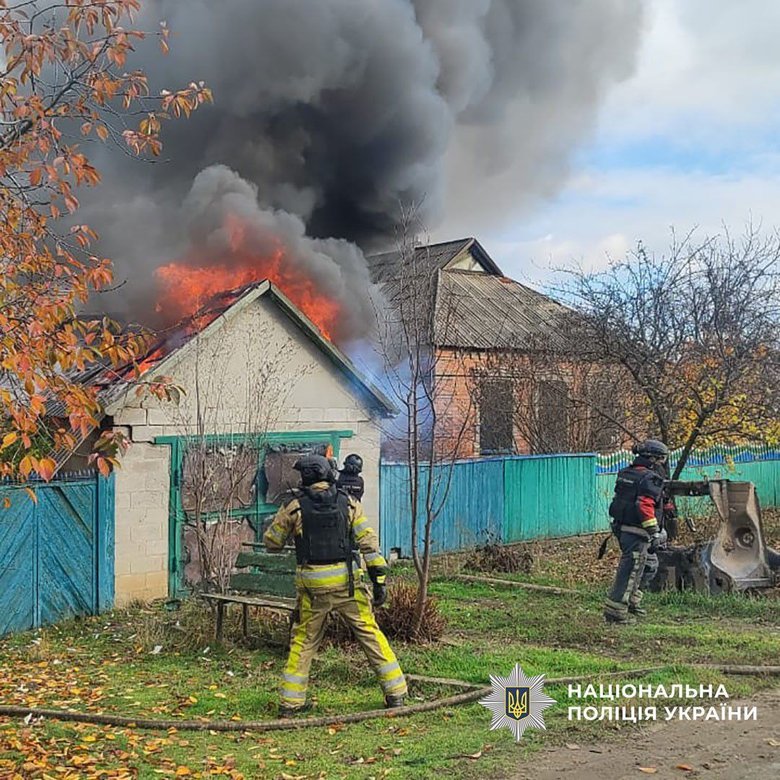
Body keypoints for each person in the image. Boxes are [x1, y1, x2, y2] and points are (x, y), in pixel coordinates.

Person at [263, 454, 406, 717]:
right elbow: (369, 545)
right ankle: (396, 693)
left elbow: (272, 542)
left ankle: (290, 703)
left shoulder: (294, 507)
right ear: (328, 473)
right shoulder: (349, 504)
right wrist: (379, 582)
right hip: (347, 586)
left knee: (304, 641)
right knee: (370, 634)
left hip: (312, 590)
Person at [603, 439, 669, 624]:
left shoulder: (628, 473)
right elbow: (644, 505)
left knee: (649, 565)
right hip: (636, 531)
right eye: (662, 460)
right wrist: (654, 531)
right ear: (654, 459)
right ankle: (615, 613)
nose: (663, 464)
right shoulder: (649, 478)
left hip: (623, 526)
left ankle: (632, 600)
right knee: (630, 570)